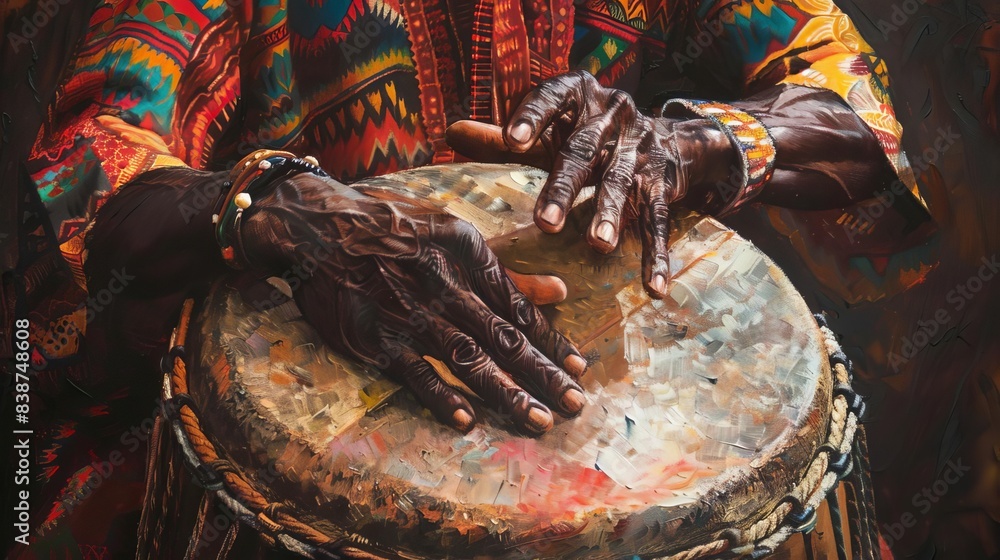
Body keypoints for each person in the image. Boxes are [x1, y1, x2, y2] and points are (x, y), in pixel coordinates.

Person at [17, 0, 933, 556]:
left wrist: (692, 143)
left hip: (602, 425)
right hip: (302, 438)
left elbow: (848, 100)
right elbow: (92, 156)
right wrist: (278, 208)